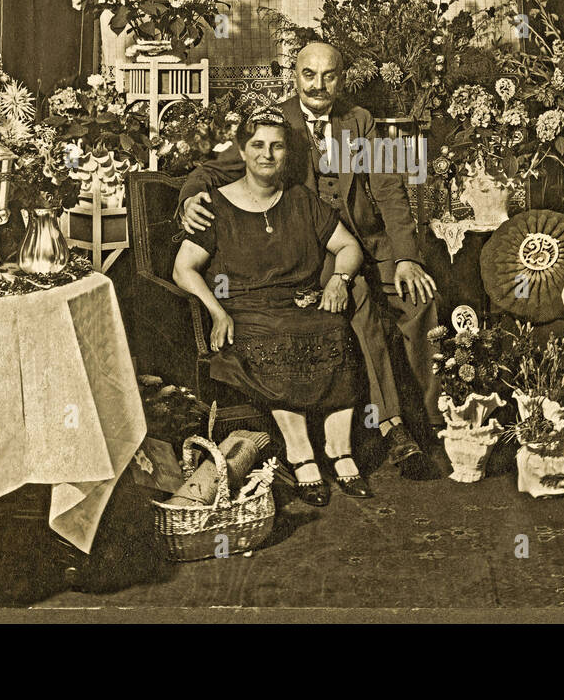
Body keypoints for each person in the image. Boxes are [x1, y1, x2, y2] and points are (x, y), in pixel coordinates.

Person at [179, 41, 440, 477]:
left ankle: (428, 424)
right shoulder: (276, 124)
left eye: (329, 75)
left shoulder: (360, 123)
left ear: (342, 77)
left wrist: (406, 259)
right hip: (312, 253)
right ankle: (393, 429)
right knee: (353, 293)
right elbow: (212, 170)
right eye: (308, 75)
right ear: (293, 75)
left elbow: (391, 192)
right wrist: (189, 199)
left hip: (368, 246)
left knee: (422, 300)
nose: (318, 85)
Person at [172, 108, 371, 506]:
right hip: (245, 311)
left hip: (298, 304)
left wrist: (339, 278)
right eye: (257, 145)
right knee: (276, 338)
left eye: (276, 146)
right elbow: (183, 269)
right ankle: (302, 456)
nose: (267, 154)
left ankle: (340, 451)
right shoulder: (215, 204)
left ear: (286, 153)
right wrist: (217, 311)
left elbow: (349, 246)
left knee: (333, 328)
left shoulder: (301, 200)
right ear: (242, 152)